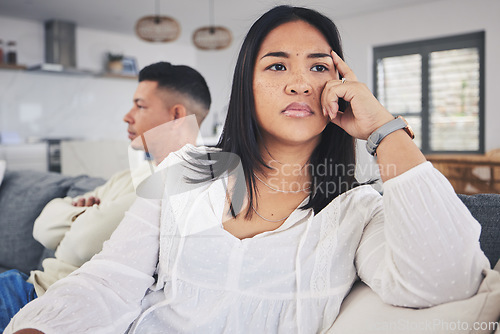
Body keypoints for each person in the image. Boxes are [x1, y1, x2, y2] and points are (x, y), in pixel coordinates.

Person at [6, 6, 490, 334]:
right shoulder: (188, 168)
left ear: (340, 85)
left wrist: (385, 128)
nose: (300, 82)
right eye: (277, 67)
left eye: (319, 68)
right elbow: (110, 279)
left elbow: (447, 280)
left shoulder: (356, 207)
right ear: (247, 84)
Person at [0, 61, 211, 332]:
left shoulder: (183, 187)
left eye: (140, 105)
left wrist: (77, 217)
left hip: (46, 303)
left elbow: (81, 243)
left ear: (176, 115)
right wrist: (84, 216)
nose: (127, 116)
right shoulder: (125, 178)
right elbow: (42, 228)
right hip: (23, 285)